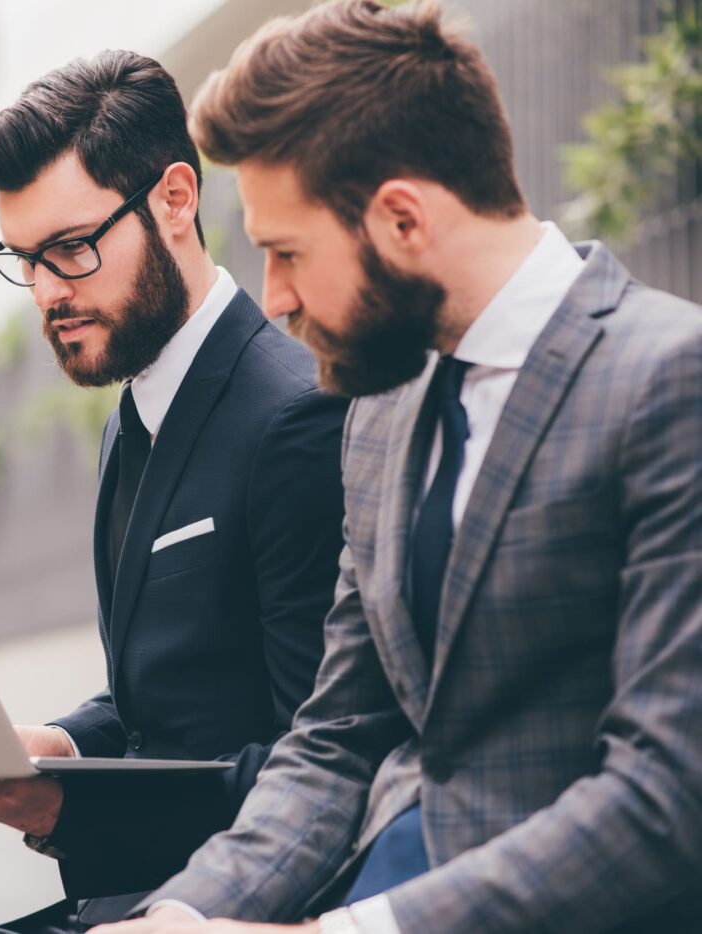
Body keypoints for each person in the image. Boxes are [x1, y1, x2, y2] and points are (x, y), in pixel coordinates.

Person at [90, 2, 702, 932]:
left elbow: (669, 797)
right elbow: (336, 741)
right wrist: (182, 914)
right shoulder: (377, 413)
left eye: (287, 253)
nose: (277, 300)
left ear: (402, 217)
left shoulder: (670, 381)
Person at [0, 50, 348, 931]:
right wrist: (56, 747)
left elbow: (319, 766)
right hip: (128, 892)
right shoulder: (134, 415)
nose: (46, 292)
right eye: (24, 257)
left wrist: (51, 804)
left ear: (176, 199)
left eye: (72, 248)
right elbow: (157, 703)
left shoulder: (294, 418)